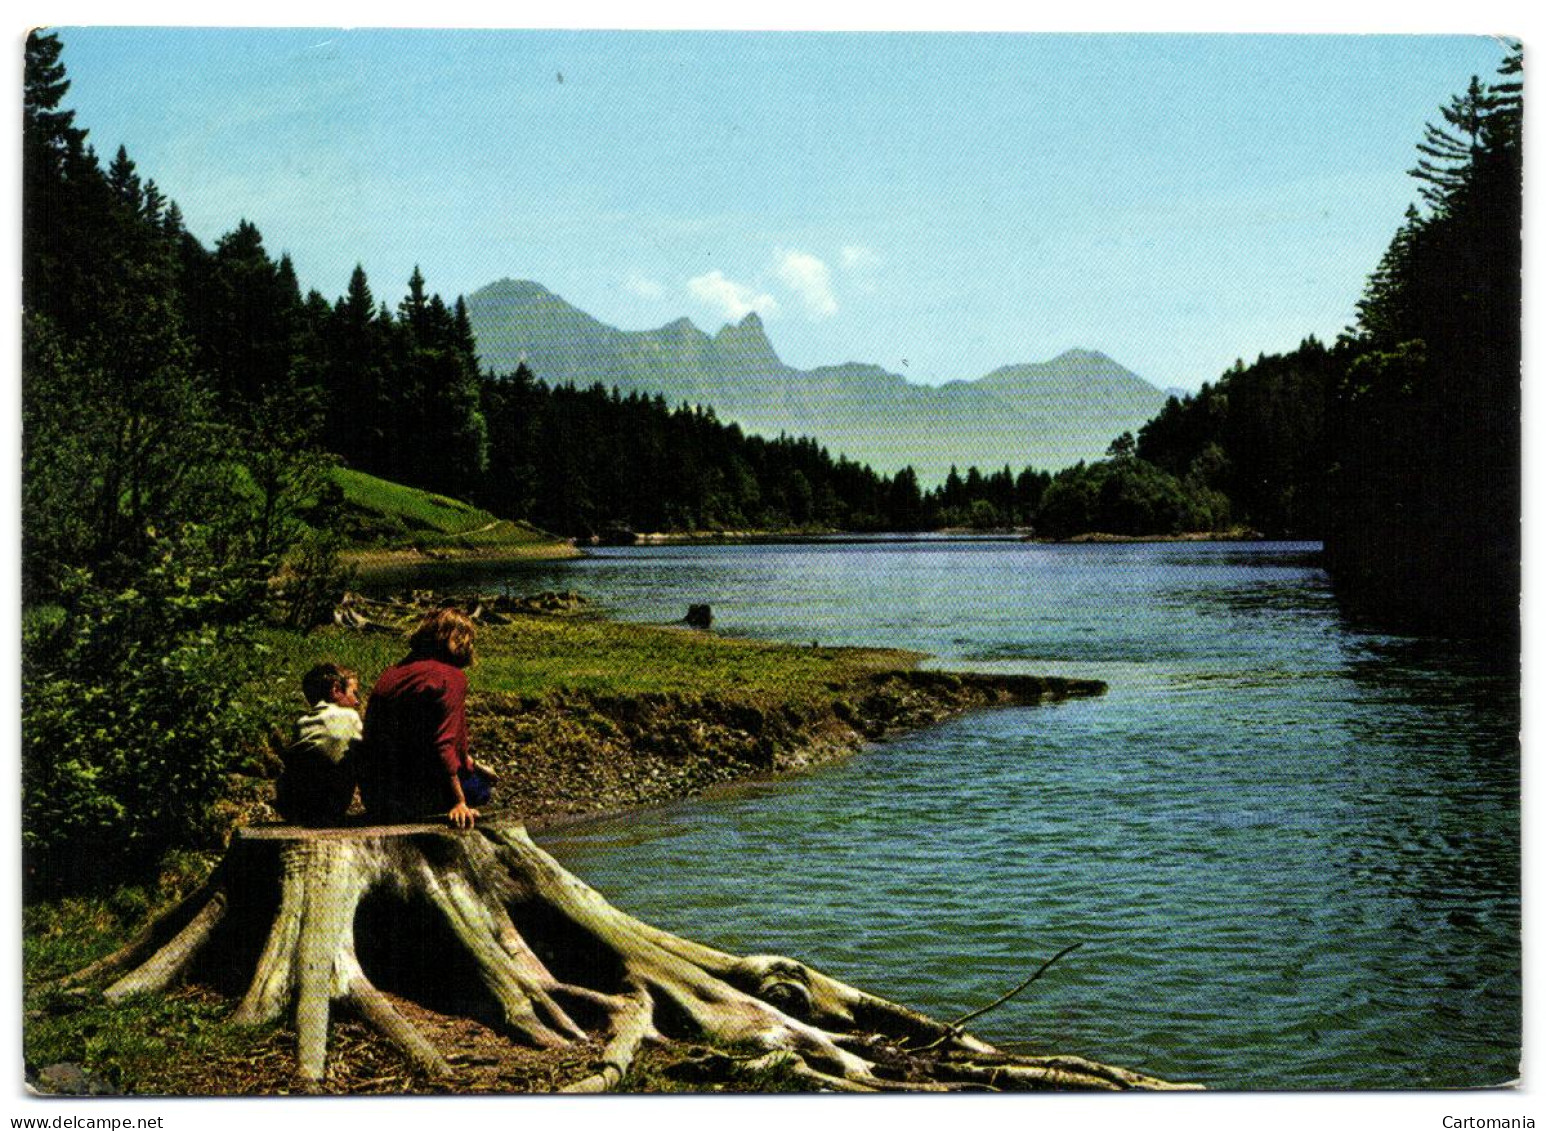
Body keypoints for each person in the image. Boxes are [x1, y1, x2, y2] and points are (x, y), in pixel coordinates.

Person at [357, 607, 497, 828]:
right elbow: (442, 744)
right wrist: (458, 801)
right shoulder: (450, 677)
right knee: (481, 790)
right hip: (414, 797)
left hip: (377, 796)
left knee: (478, 776)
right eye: (468, 641)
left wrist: (472, 763)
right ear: (457, 641)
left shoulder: (393, 672)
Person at [274, 662, 361, 825]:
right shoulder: (350, 717)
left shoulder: (302, 722)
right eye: (354, 693)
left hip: (295, 806)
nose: (357, 702)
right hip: (331, 805)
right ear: (336, 689)